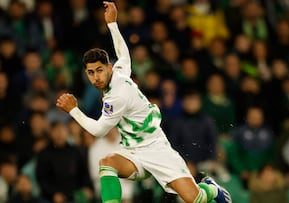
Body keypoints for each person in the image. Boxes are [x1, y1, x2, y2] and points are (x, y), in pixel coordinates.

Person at [56, 2, 231, 203]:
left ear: (109, 68)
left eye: (99, 70)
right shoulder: (120, 72)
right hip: (133, 152)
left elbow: (98, 131)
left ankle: (210, 189)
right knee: (107, 163)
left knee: (196, 199)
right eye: (90, 72)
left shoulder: (117, 95)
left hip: (156, 148)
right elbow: (124, 54)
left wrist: (73, 110)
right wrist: (112, 24)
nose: (96, 77)